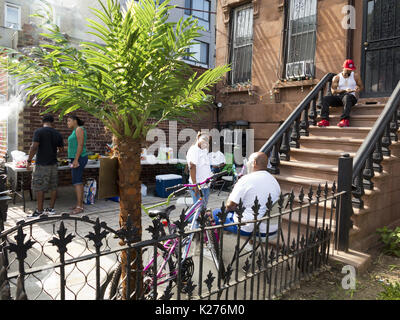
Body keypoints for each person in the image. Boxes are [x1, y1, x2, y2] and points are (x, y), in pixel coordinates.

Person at [212, 152, 281, 236]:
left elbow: (229, 206)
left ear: (254, 163)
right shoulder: (274, 180)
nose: (247, 164)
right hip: (272, 227)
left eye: (248, 161)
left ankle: (213, 246)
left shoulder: (246, 179)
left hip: (249, 227)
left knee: (215, 213)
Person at [27, 115, 64, 217]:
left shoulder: (39, 132)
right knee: (53, 187)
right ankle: (51, 209)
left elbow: (34, 147)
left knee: (40, 187)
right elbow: (61, 150)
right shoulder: (57, 134)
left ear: (42, 122)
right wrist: (53, 152)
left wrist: (29, 160)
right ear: (53, 123)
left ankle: (39, 211)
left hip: (41, 165)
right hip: (53, 164)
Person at [317, 59, 364, 128]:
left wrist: (358, 88)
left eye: (351, 69)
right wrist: (345, 90)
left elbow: (361, 87)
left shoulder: (355, 76)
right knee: (325, 99)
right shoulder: (337, 77)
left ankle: (345, 120)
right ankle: (325, 120)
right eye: (348, 69)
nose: (350, 71)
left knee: (347, 97)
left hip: (351, 98)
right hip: (340, 98)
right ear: (343, 68)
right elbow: (333, 91)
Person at [67, 114, 88, 214]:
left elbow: (80, 144)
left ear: (75, 121)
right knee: (77, 180)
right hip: (76, 158)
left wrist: (76, 160)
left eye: (69, 120)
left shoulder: (79, 129)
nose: (68, 123)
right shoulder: (75, 130)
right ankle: (79, 204)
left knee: (77, 181)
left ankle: (79, 207)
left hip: (79, 158)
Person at [186, 132, 212, 209]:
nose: (206, 142)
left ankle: (198, 221)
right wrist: (194, 185)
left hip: (206, 185)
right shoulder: (194, 150)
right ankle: (192, 221)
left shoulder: (204, 150)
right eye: (204, 139)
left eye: (207, 140)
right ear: (198, 138)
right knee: (198, 209)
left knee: (203, 208)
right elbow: (192, 166)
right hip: (198, 186)